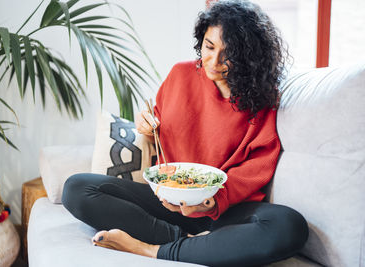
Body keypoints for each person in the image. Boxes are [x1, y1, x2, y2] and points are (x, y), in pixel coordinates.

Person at [62, 0, 309, 266]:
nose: (214, 61)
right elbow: (157, 127)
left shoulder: (263, 100)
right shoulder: (181, 74)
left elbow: (256, 167)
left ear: (248, 56)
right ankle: (189, 242)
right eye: (209, 47)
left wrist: (210, 201)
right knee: (76, 188)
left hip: (222, 208)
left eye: (229, 54)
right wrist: (144, 125)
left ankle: (149, 249)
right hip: (168, 201)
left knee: (289, 225)